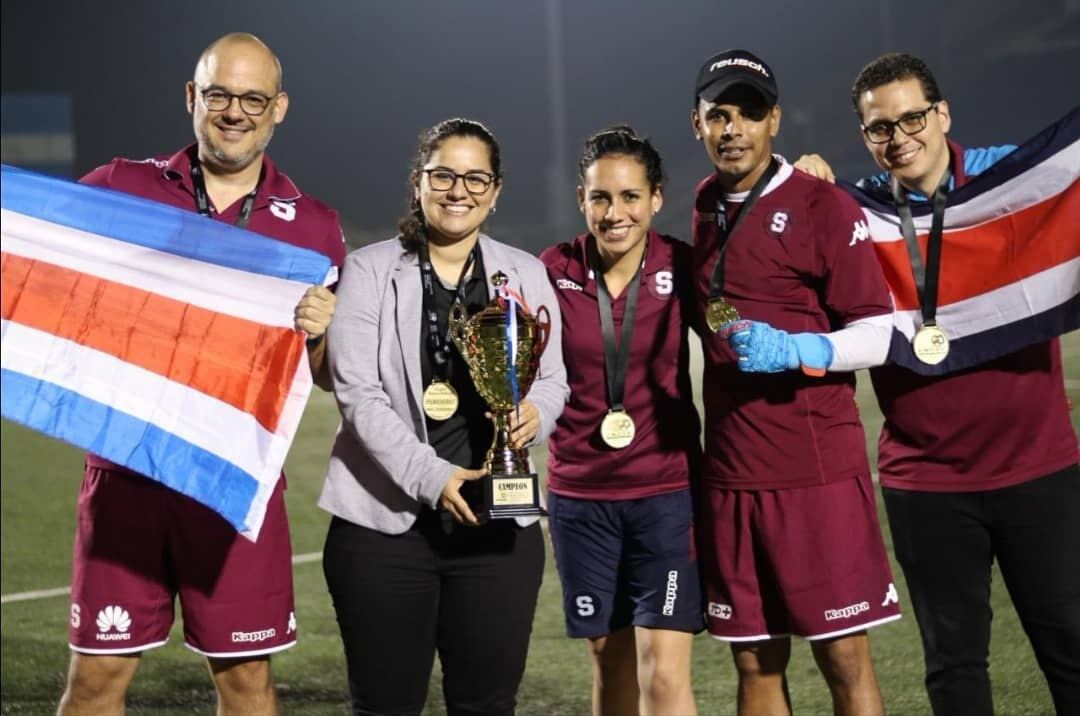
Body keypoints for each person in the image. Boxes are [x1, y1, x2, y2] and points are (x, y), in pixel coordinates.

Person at [58, 33, 346, 716]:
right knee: (96, 679)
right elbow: (43, 274)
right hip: (127, 478)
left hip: (233, 486)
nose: (234, 112)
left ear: (279, 108)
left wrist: (323, 332)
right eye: (219, 94)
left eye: (252, 98)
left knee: (245, 682)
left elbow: (329, 376)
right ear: (193, 98)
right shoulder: (118, 187)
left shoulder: (313, 227)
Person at [792, 52, 1080, 715]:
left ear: (941, 113)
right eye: (879, 128)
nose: (900, 137)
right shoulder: (854, 214)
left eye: (912, 117)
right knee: (954, 669)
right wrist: (803, 183)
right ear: (864, 135)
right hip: (926, 482)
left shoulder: (1014, 179)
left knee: (1069, 648)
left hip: (1040, 469)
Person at [319, 117, 568, 716]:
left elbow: (555, 378)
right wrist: (433, 478)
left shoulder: (524, 271)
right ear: (419, 182)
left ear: (496, 190)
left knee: (486, 705)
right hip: (384, 529)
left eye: (475, 178)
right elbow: (357, 392)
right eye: (444, 175)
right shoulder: (371, 269)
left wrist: (535, 413)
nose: (459, 191)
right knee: (385, 705)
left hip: (497, 525)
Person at [688, 49, 902, 716]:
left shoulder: (822, 204)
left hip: (815, 472)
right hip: (731, 473)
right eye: (717, 115)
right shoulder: (701, 204)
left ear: (774, 120)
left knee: (842, 658)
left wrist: (798, 348)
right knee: (754, 661)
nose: (732, 129)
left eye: (749, 114)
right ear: (697, 124)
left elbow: (878, 331)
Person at [539, 126, 703, 715]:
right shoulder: (550, 270)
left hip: (665, 495)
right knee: (612, 668)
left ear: (656, 199)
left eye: (631, 196)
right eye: (601, 197)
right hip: (580, 500)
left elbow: (733, 316)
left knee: (663, 673)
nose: (615, 213)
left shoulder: (683, 265)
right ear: (581, 199)